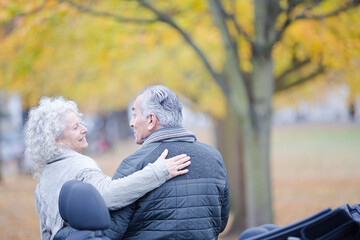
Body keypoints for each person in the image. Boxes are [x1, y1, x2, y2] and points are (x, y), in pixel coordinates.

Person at [24, 96, 191, 240]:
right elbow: (108, 195)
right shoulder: (79, 165)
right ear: (56, 140)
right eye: (75, 128)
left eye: (80, 123)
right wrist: (158, 171)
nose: (85, 129)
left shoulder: (44, 181)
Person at [103, 85, 230, 239]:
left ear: (151, 120)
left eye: (135, 115)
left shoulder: (134, 164)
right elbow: (221, 222)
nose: (131, 123)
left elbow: (110, 231)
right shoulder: (214, 157)